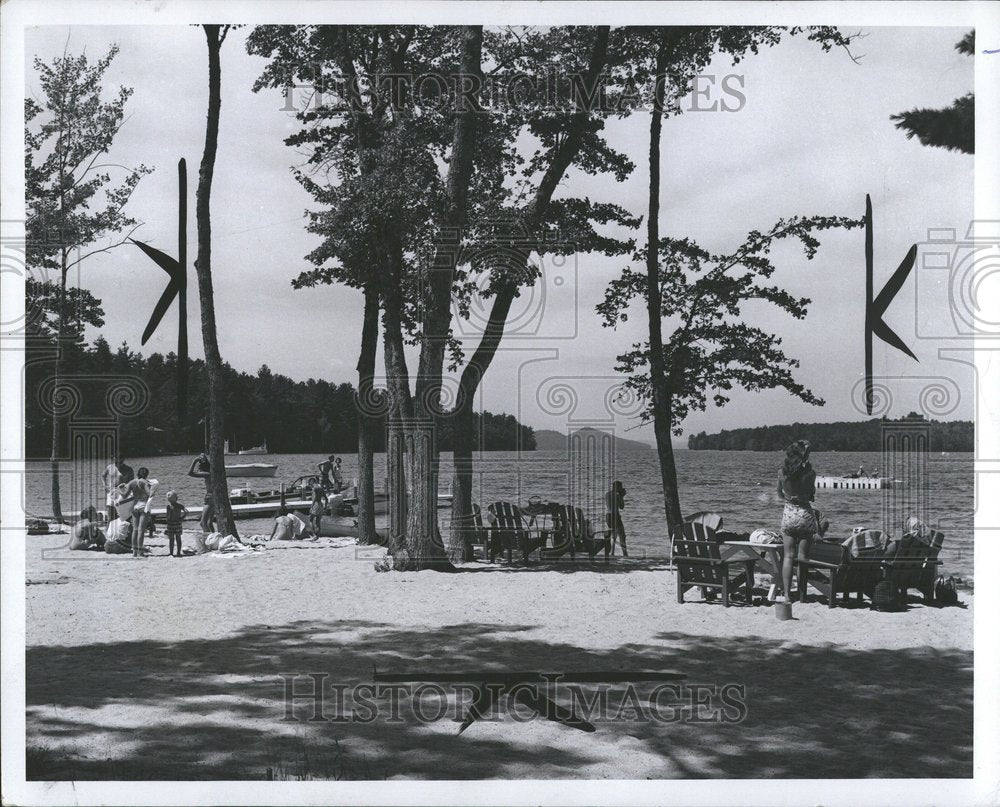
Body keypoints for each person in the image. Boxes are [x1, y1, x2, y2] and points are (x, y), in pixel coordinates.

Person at [777, 440, 819, 601]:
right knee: (803, 557)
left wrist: (789, 498)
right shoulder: (810, 474)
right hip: (805, 515)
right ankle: (802, 595)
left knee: (788, 556)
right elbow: (811, 494)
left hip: (788, 514)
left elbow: (779, 493)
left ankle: (787, 595)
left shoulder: (781, 473)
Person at [125, 467, 154, 557]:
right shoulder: (145, 482)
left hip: (134, 506)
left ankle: (134, 552)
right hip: (143, 505)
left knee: (135, 530)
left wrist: (120, 488)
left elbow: (125, 495)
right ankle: (140, 551)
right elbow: (149, 494)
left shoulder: (132, 482)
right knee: (141, 530)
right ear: (146, 474)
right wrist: (153, 488)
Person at [187, 453, 215, 532]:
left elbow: (190, 473)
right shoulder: (210, 473)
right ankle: (213, 540)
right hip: (214, 497)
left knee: (203, 523)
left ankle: (208, 541)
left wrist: (194, 461)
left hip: (211, 498)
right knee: (209, 523)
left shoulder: (207, 474)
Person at [102, 453, 134, 521]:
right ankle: (109, 531)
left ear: (123, 458)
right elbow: (103, 476)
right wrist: (105, 485)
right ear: (114, 458)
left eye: (120, 457)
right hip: (111, 491)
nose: (118, 459)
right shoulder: (109, 467)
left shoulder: (128, 469)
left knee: (123, 515)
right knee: (110, 515)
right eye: (116, 457)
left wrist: (126, 488)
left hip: (122, 492)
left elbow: (131, 483)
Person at [604, 480, 628, 557]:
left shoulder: (607, 494)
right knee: (622, 535)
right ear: (617, 487)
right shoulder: (617, 495)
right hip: (615, 516)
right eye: (620, 487)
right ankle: (625, 554)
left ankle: (613, 552)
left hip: (608, 516)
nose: (622, 488)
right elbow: (622, 507)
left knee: (614, 535)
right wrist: (622, 496)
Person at [164, 491, 188, 557]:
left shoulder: (169, 506)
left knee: (171, 539)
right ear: (176, 498)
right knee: (178, 538)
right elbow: (186, 511)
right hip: (178, 523)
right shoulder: (180, 506)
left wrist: (167, 519)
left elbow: (168, 516)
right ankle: (178, 552)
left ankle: (171, 553)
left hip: (171, 523)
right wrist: (182, 518)